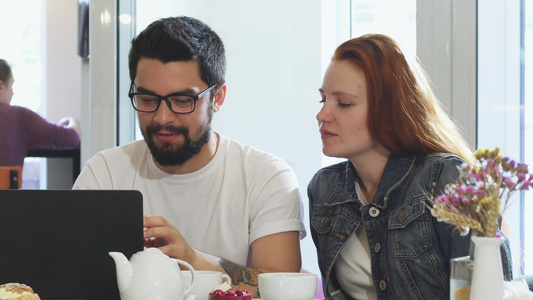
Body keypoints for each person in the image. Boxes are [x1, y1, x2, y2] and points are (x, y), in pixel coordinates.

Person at [73, 16, 305, 297]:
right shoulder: (106, 171)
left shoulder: (265, 176)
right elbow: (72, 275)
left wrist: (193, 260)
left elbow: (283, 286)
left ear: (217, 97)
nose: (162, 117)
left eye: (182, 101)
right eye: (147, 99)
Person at [308, 34, 512, 300]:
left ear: (390, 111)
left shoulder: (445, 179)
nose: (322, 115)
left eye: (344, 103)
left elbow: (492, 289)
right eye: (323, 99)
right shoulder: (325, 189)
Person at [0, 59, 80, 167]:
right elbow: (71, 139)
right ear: (1, 86)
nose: (12, 92)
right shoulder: (18, 118)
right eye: (11, 85)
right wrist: (72, 121)